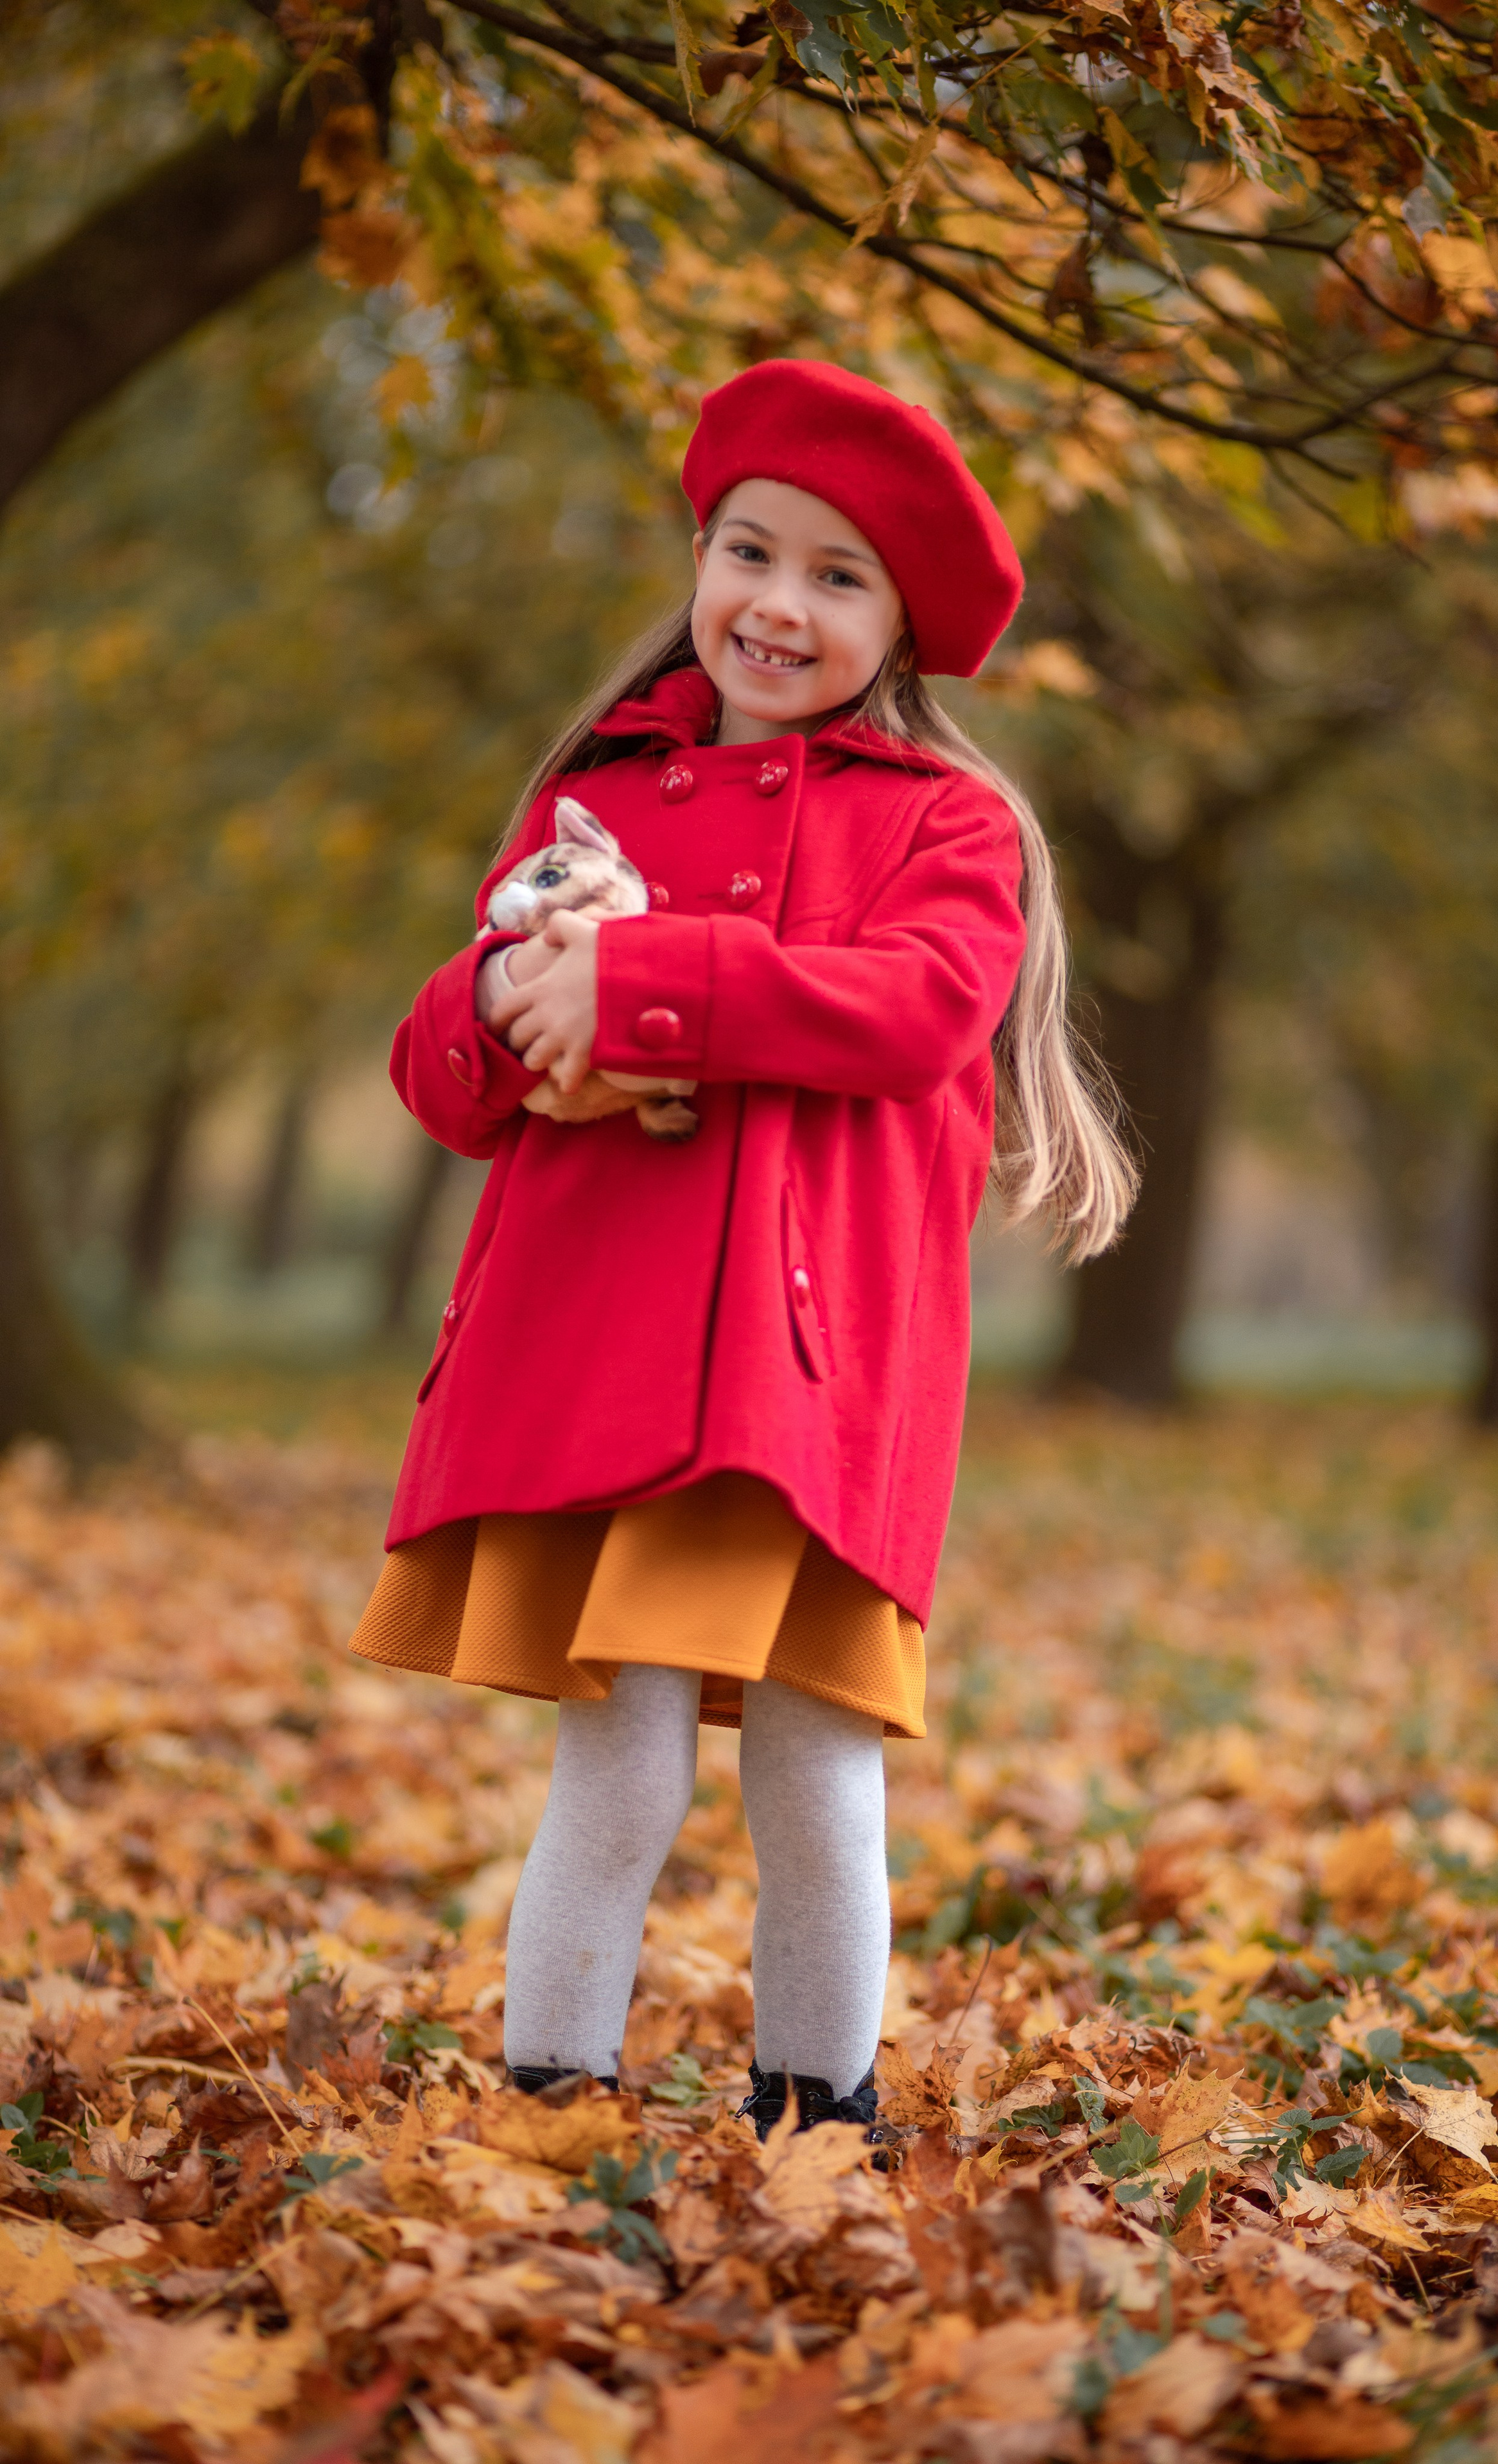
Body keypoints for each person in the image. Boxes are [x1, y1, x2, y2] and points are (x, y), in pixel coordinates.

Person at [350, 360, 1136, 2137]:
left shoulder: (946, 826)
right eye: (749, 550)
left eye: (838, 576)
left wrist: (642, 985)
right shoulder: (601, 797)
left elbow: (916, 1014)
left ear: (901, 624)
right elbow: (441, 1073)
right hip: (606, 1356)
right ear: (700, 559)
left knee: (813, 1765)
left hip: (804, 1373)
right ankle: (552, 2106)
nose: (779, 603)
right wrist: (508, 998)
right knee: (618, 1764)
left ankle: (818, 2123)